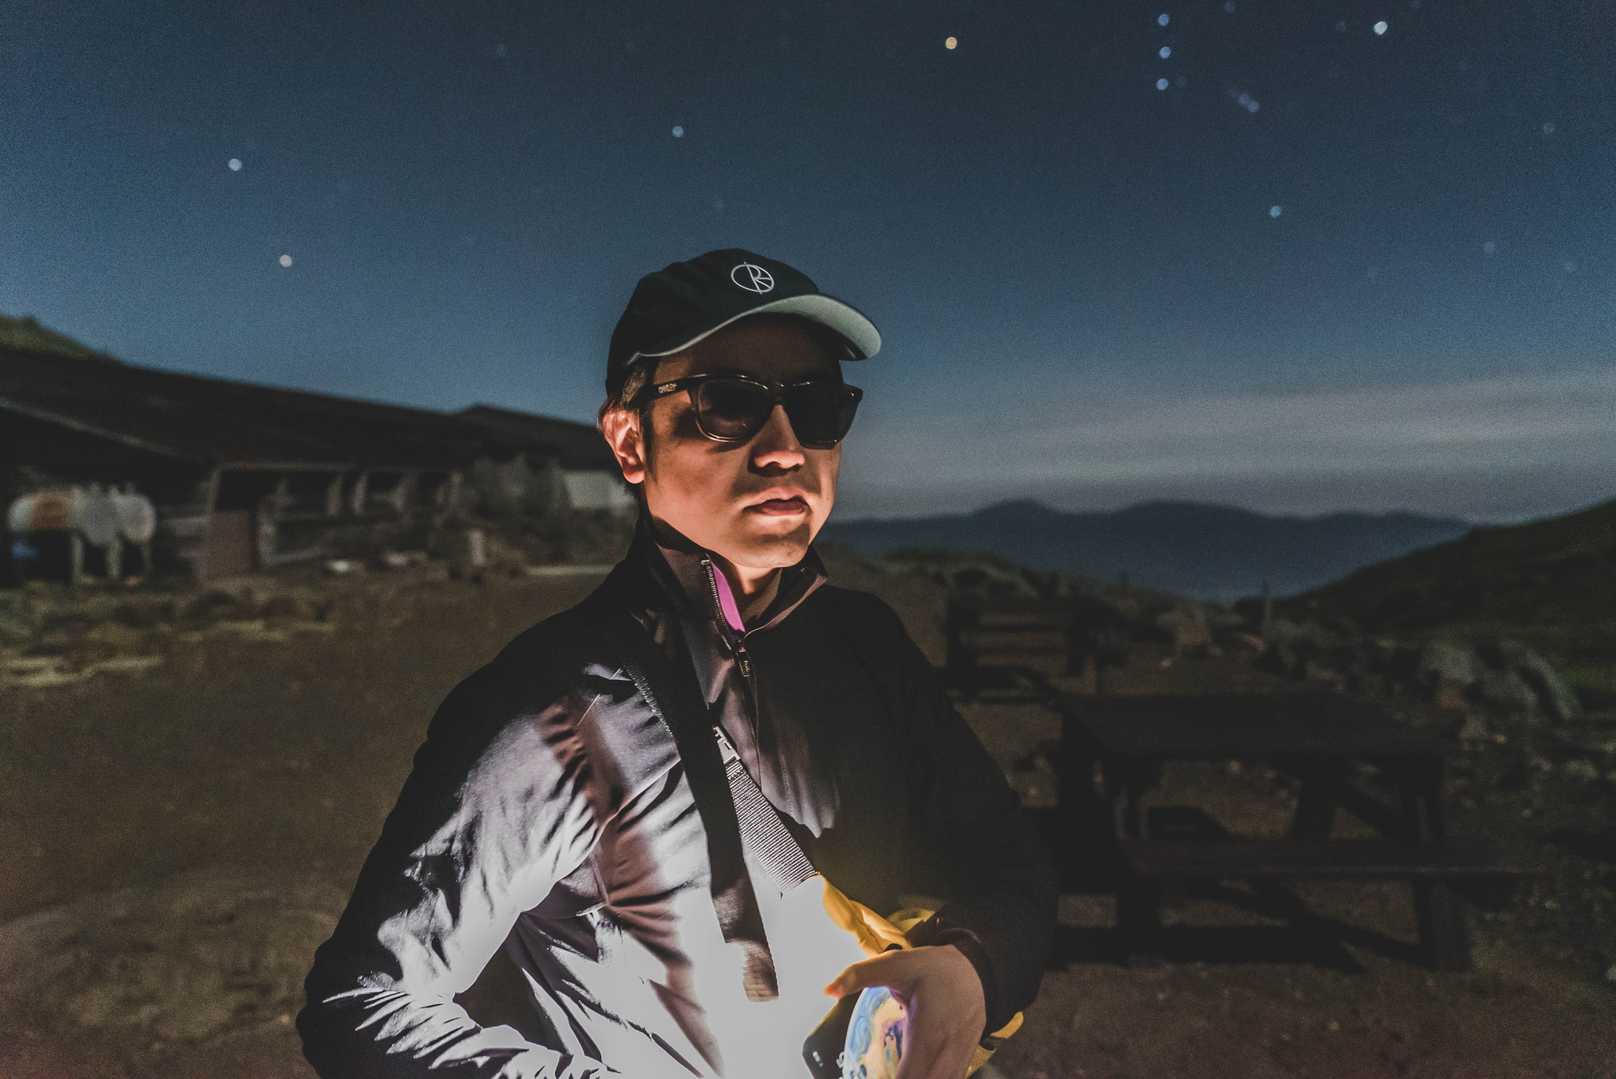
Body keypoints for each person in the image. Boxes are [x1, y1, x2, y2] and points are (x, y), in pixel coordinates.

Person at [297, 248, 1056, 1078]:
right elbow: (363, 1004)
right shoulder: (554, 703)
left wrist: (974, 965)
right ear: (630, 441)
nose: (784, 448)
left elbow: (1011, 861)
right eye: (727, 403)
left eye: (816, 406)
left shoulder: (868, 643)